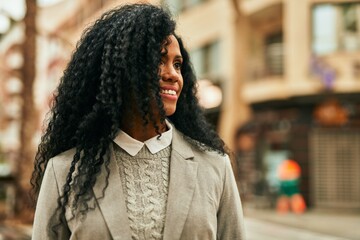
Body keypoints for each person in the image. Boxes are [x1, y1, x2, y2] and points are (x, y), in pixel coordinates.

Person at [31, 3, 245, 240]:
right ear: (119, 70)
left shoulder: (215, 167)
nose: (173, 74)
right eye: (158, 60)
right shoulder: (64, 171)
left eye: (177, 64)